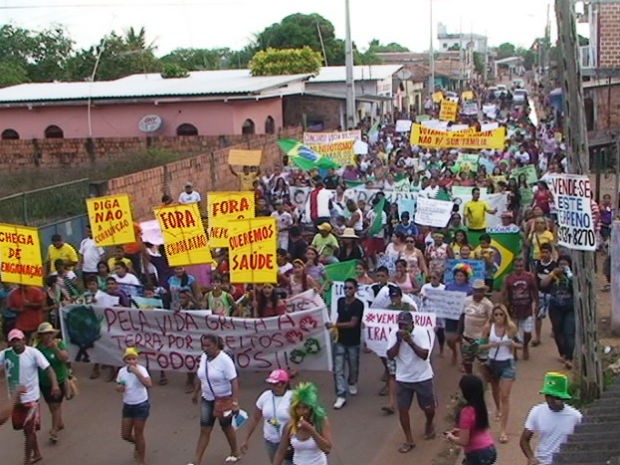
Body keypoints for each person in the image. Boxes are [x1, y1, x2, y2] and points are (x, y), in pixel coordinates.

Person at [0, 328, 61, 465]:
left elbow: (48, 369)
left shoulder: (33, 353)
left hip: (31, 400)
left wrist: (55, 385)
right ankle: (37, 453)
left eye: (18, 340)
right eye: (13, 341)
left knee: (29, 431)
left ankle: (27, 460)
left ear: (24, 340)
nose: (16, 343)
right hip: (15, 400)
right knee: (26, 431)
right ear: (9, 343)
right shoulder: (5, 355)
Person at [387, 311, 436, 453]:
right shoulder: (394, 334)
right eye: (400, 325)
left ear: (412, 324)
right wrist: (398, 341)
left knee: (428, 408)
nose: (402, 328)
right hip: (403, 378)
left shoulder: (421, 332)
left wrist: (410, 342)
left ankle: (429, 422)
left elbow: (424, 355)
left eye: (405, 325)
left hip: (422, 377)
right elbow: (390, 355)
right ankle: (409, 440)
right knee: (403, 409)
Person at [190, 334, 241, 465]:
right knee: (205, 429)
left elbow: (234, 381)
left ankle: (235, 451)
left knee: (226, 426)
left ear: (216, 345)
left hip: (224, 399)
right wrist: (196, 392)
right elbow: (201, 376)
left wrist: (234, 402)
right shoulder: (204, 357)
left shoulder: (225, 360)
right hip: (207, 399)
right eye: (203, 345)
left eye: (208, 345)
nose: (205, 348)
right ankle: (196, 461)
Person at [479, 304, 522, 444]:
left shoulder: (511, 328)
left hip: (507, 364)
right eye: (496, 314)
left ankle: (503, 430)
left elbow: (521, 344)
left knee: (505, 396)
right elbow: (480, 345)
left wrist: (512, 344)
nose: (498, 317)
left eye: (501, 314)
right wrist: (490, 345)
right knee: (495, 390)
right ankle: (498, 409)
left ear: (505, 315)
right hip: (493, 363)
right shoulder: (488, 328)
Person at [520, 372, 582, 465]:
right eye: (548, 396)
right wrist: (531, 457)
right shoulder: (537, 411)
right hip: (542, 461)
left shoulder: (576, 417)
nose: (551, 400)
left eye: (556, 397)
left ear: (563, 398)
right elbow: (524, 440)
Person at [240, 370, 293, 465]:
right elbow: (255, 418)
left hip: (290, 442)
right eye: (271, 383)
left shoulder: (293, 397)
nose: (272, 386)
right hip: (271, 441)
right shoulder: (265, 396)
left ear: (284, 384)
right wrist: (246, 439)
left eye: (275, 384)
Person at [326, 278, 364, 409]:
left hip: (353, 341)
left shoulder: (359, 305)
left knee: (353, 365)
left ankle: (352, 381)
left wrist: (334, 325)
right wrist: (335, 330)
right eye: (345, 288)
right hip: (340, 340)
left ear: (355, 289)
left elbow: (353, 323)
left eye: (350, 288)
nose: (347, 290)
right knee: (338, 369)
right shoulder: (340, 301)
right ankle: (341, 394)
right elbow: (338, 316)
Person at [273, 382, 332, 465]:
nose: (301, 412)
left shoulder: (320, 422)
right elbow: (281, 452)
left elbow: (327, 449)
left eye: (305, 408)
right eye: (298, 408)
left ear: (312, 408)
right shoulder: (290, 426)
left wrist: (312, 431)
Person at [445, 375, 497, 465]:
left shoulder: (466, 412)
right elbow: (476, 428)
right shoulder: (480, 406)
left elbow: (464, 441)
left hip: (477, 453)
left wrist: (450, 437)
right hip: (489, 449)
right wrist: (461, 431)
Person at [116, 347, 152, 465]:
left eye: (134, 359)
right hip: (128, 405)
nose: (132, 361)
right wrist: (119, 388)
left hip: (141, 404)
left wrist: (137, 372)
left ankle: (141, 459)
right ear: (125, 360)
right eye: (129, 359)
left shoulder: (142, 369)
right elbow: (119, 385)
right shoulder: (122, 371)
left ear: (137, 360)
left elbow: (148, 384)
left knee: (138, 433)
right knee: (125, 434)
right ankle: (138, 444)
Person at [35, 322, 69, 444]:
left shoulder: (59, 343)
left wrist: (55, 348)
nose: (48, 336)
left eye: (49, 333)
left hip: (59, 380)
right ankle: (58, 422)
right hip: (44, 382)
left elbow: (64, 358)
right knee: (51, 405)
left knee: (56, 405)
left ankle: (54, 430)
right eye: (45, 334)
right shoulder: (38, 348)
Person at [540, 255, 575, 370]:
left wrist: (569, 274)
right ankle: (563, 353)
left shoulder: (572, 276)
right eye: (561, 264)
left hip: (569, 308)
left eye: (565, 264)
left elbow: (576, 287)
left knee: (569, 332)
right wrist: (552, 274)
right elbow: (543, 285)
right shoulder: (554, 276)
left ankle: (569, 358)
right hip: (555, 308)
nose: (563, 266)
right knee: (557, 331)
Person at [502, 257, 538, 360]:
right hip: (513, 310)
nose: (519, 268)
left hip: (527, 309)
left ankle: (525, 345)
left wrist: (537, 304)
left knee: (528, 333)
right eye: (517, 266)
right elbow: (504, 293)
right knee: (513, 332)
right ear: (513, 266)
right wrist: (504, 307)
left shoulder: (529, 277)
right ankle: (514, 350)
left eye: (521, 266)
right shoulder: (508, 278)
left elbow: (535, 290)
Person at [461, 280, 493, 375]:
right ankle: (469, 376)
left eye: (480, 291)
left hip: (481, 338)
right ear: (473, 291)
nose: (478, 293)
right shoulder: (466, 301)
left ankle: (486, 381)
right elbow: (462, 316)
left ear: (484, 292)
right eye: (476, 290)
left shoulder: (488, 304)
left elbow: (491, 320)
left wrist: (488, 335)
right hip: (467, 336)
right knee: (467, 361)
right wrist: (459, 332)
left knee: (484, 362)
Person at [445, 264, 474, 366]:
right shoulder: (449, 286)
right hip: (450, 316)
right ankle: (454, 351)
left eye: (461, 276)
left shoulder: (470, 289)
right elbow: (443, 299)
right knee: (449, 339)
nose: (459, 277)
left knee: (462, 339)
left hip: (463, 316)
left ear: (466, 277)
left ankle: (463, 360)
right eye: (457, 275)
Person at [533, 243, 556, 346]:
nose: (544, 254)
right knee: (538, 315)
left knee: (553, 315)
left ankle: (554, 329)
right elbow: (534, 278)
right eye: (542, 252)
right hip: (540, 294)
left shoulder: (554, 265)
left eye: (546, 252)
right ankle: (537, 337)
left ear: (550, 253)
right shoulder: (537, 264)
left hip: (552, 293)